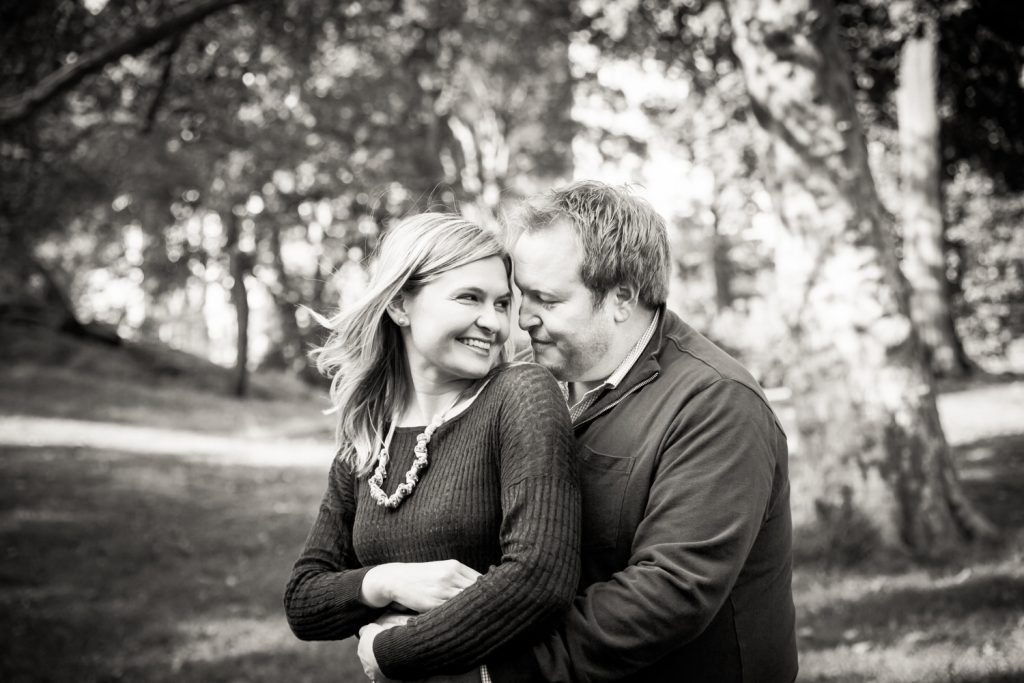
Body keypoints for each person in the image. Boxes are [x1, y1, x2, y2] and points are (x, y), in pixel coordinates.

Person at [487, 181, 798, 682]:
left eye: (546, 299)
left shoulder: (716, 403)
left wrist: (503, 672)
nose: (523, 319)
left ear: (622, 298)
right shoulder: (527, 379)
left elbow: (670, 591)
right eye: (522, 294)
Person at [284, 213, 580, 681]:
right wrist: (387, 581)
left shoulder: (520, 395)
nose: (494, 322)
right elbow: (303, 600)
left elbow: (540, 579)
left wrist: (389, 650)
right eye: (470, 297)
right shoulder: (368, 430)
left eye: (502, 303)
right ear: (400, 304)